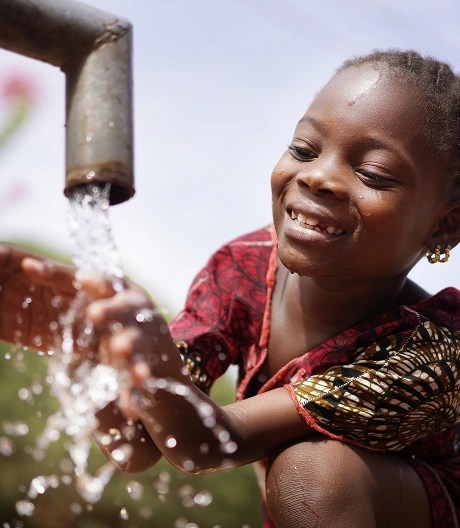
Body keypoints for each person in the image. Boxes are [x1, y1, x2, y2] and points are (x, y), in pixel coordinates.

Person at [1, 49, 460, 528]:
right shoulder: (241, 269)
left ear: (445, 225)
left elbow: (206, 444)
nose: (319, 176)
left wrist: (148, 355)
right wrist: (91, 347)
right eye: (304, 149)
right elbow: (137, 444)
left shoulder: (432, 351)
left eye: (373, 175)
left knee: (314, 472)